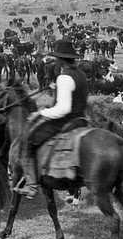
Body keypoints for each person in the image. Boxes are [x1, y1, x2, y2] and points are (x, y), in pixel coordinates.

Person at [14, 38, 89, 199]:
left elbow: (63, 109)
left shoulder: (64, 77)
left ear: (61, 59)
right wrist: (56, 91)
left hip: (65, 121)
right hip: (81, 120)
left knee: (29, 140)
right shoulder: (81, 74)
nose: (55, 60)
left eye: (56, 58)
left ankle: (31, 185)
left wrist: (40, 113)